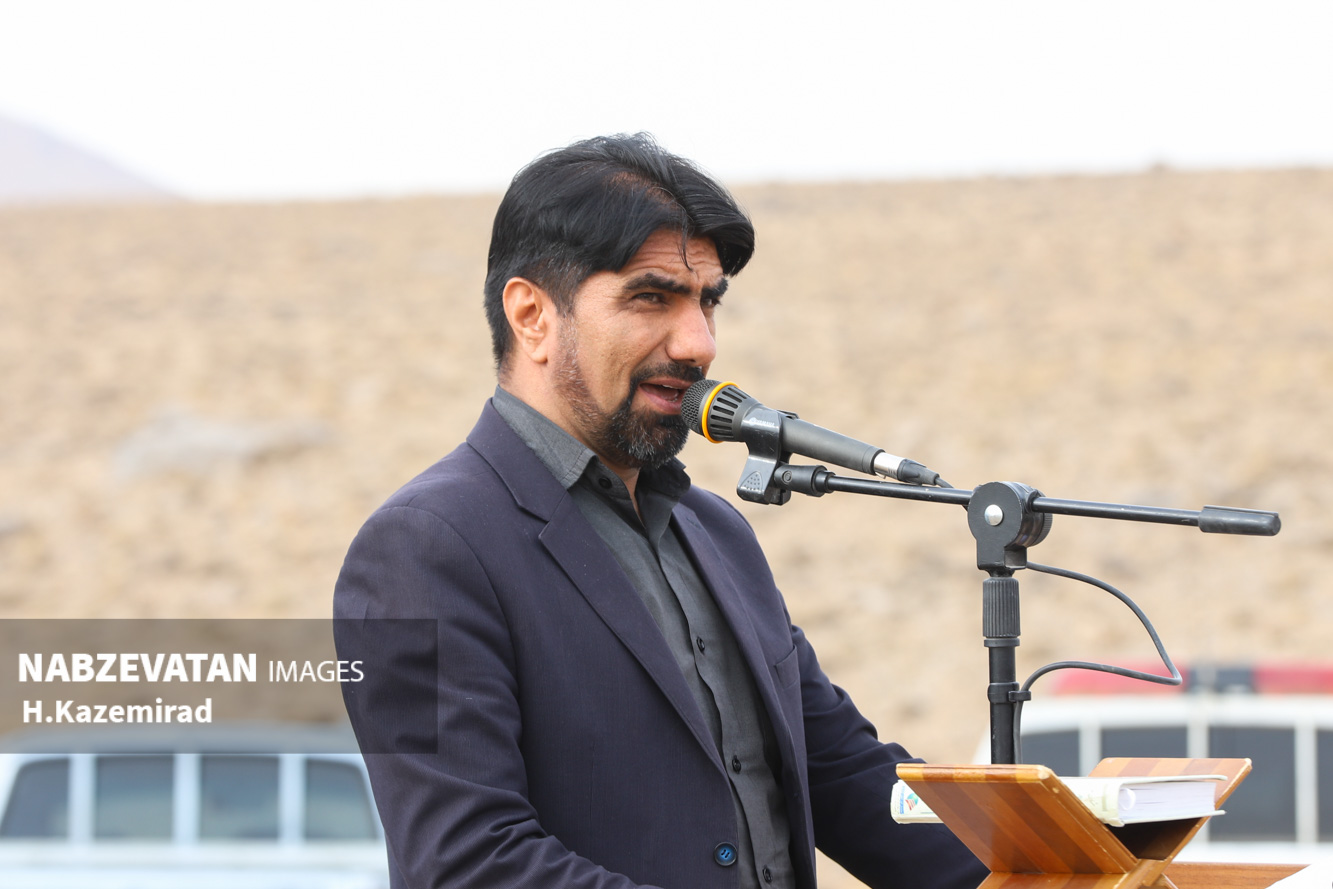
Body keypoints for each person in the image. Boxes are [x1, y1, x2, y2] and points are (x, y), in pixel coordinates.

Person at [333, 133, 986, 889]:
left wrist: (1051, 860)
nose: (699, 343)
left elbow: (844, 773)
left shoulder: (717, 533)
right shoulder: (422, 547)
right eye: (652, 297)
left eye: (707, 301)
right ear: (532, 315)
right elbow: (467, 862)